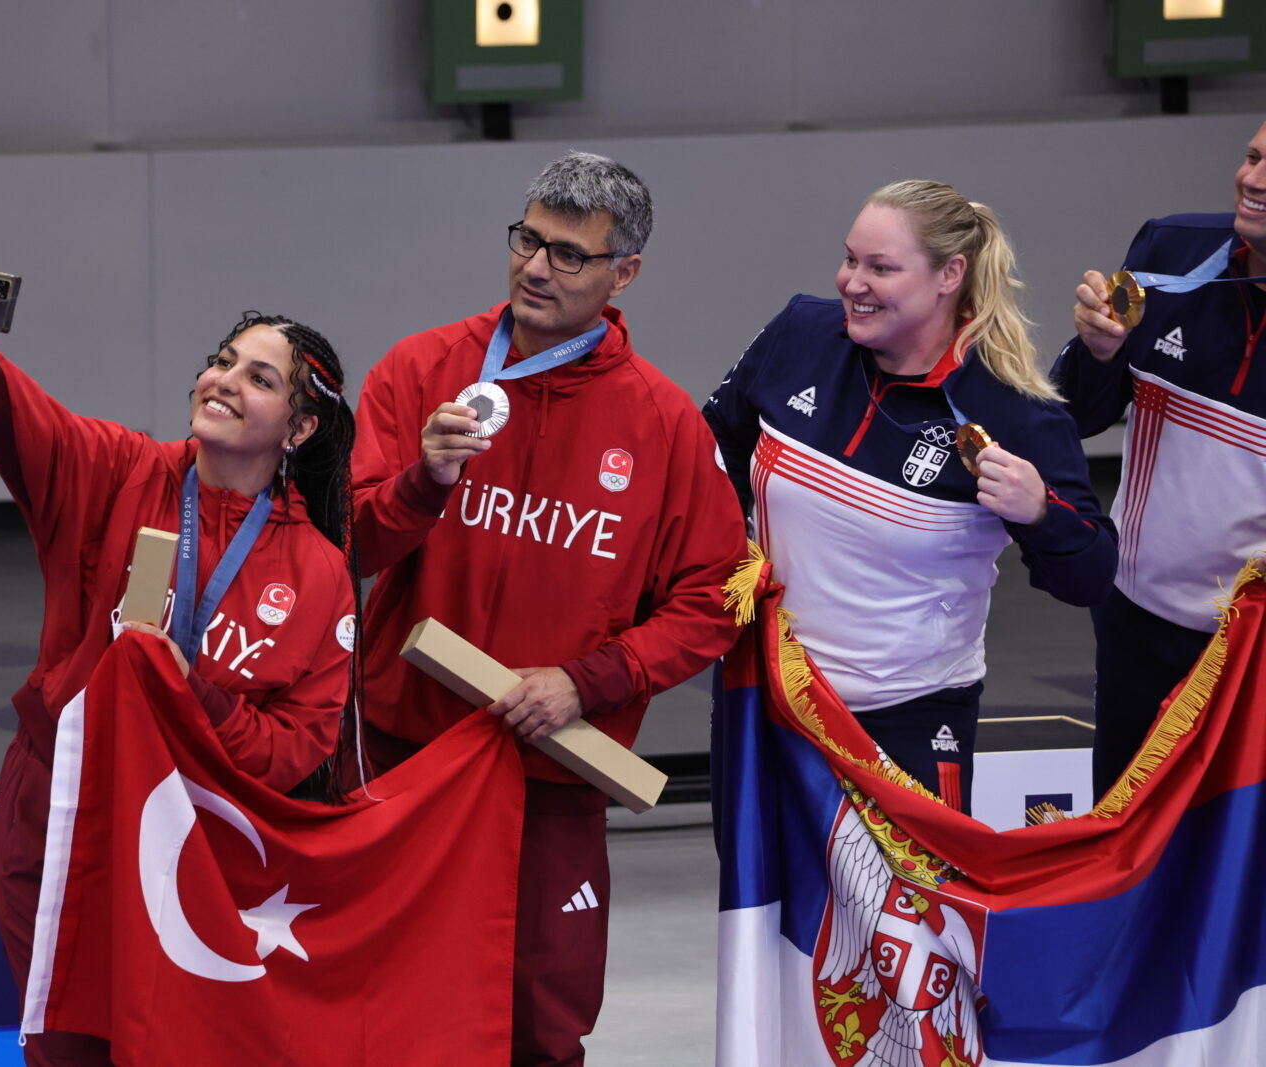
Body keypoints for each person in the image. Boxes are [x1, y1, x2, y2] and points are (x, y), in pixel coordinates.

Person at [0, 254, 361, 1066]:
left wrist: (200, 700)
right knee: (66, 1048)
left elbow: (301, 745)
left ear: (299, 429)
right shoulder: (115, 472)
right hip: (61, 811)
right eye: (221, 361)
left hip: (199, 837)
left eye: (259, 377)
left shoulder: (319, 572)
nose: (223, 380)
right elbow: (21, 418)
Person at [350, 152, 747, 1065]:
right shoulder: (420, 372)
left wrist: (586, 681)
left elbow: (714, 600)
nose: (536, 266)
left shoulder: (662, 423)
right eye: (529, 238)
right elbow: (347, 546)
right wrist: (424, 479)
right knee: (385, 996)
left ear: (624, 273)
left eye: (570, 254)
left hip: (554, 767)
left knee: (541, 1017)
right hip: (406, 749)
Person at [704, 179, 1116, 814]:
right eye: (850, 259)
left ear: (950, 274)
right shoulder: (800, 334)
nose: (852, 282)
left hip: (908, 720)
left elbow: (1090, 575)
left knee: (903, 916)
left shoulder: (1018, 413)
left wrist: (1039, 511)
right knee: (767, 911)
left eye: (881, 268)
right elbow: (718, 437)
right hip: (766, 696)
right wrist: (730, 551)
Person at [1055, 119, 1266, 801]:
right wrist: (1096, 350)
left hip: (1253, 656)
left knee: (1237, 855)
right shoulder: (1167, 249)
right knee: (1123, 841)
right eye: (1252, 156)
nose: (1253, 180)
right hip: (1136, 624)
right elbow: (1075, 417)